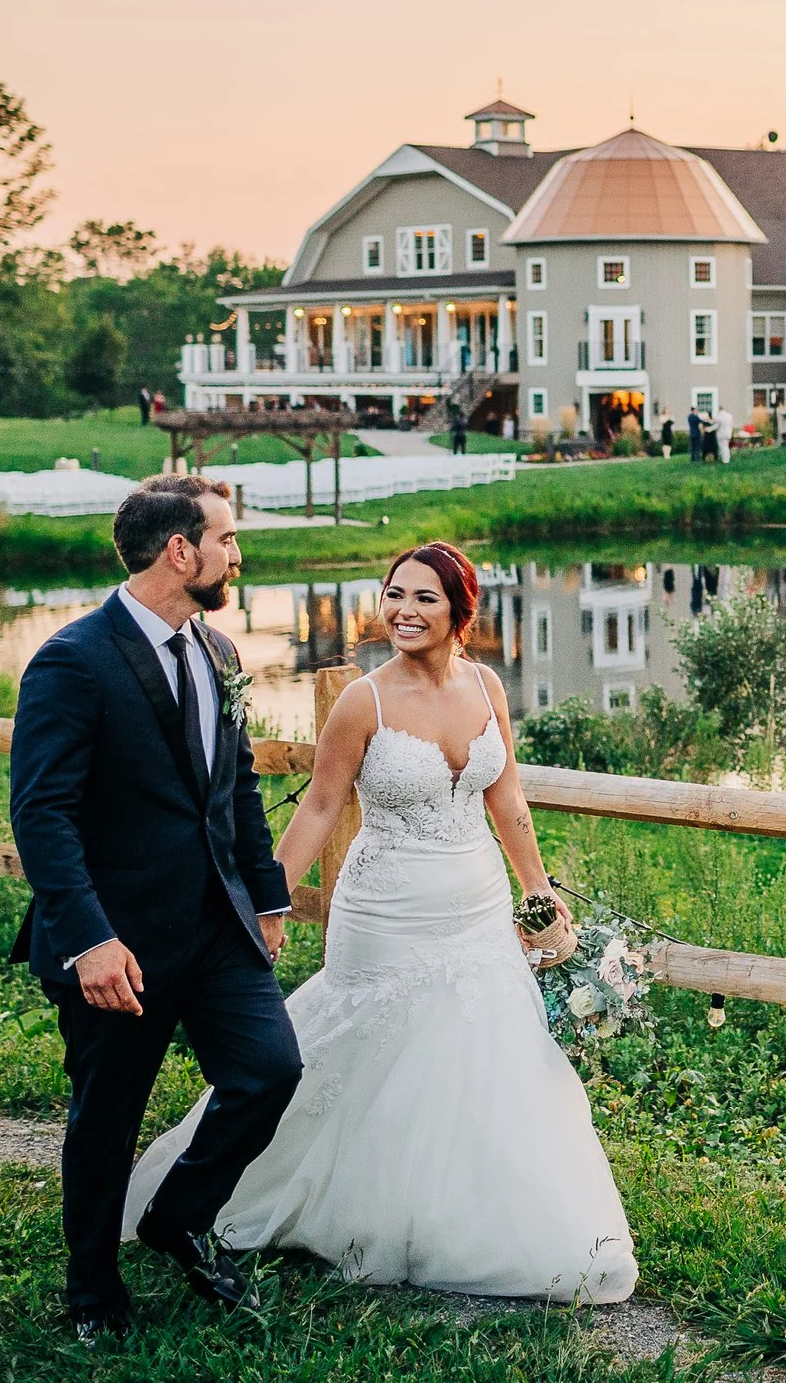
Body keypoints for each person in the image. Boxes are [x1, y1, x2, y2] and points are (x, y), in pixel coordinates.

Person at [124, 541, 638, 1304]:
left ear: (460, 611)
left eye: (424, 597)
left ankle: (468, 1210)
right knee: (365, 1057)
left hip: (476, 905)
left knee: (483, 1062)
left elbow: (509, 801)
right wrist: (263, 904)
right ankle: (235, 1192)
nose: (403, 609)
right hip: (385, 913)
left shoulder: (489, 684)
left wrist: (540, 895)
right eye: (394, 593)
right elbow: (322, 806)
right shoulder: (364, 700)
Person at [9, 475, 301, 1343]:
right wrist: (90, 938)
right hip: (119, 944)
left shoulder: (219, 652)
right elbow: (42, 813)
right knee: (106, 1118)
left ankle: (174, 1217)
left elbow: (236, 789)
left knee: (269, 1070)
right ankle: (93, 1292)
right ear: (182, 550)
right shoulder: (72, 659)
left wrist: (268, 896)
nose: (238, 556)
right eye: (227, 539)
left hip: (218, 927)